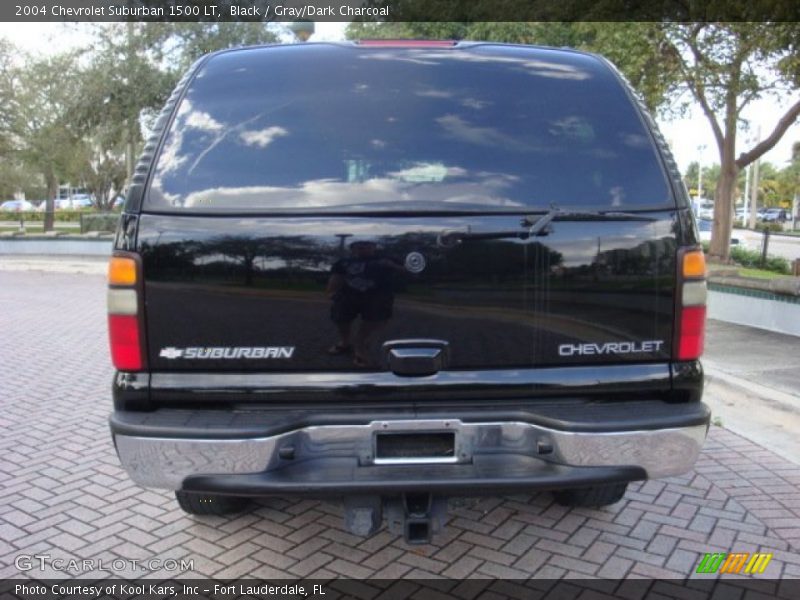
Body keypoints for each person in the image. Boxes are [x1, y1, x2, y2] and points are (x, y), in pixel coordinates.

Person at [326, 241, 404, 367]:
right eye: (359, 245)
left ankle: (360, 346)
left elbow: (409, 272)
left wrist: (393, 266)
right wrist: (331, 291)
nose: (363, 247)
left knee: (372, 321)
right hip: (347, 295)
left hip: (378, 296)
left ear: (374, 247)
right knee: (341, 319)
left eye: (367, 245)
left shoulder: (387, 259)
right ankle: (345, 342)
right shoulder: (343, 262)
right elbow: (336, 276)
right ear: (352, 249)